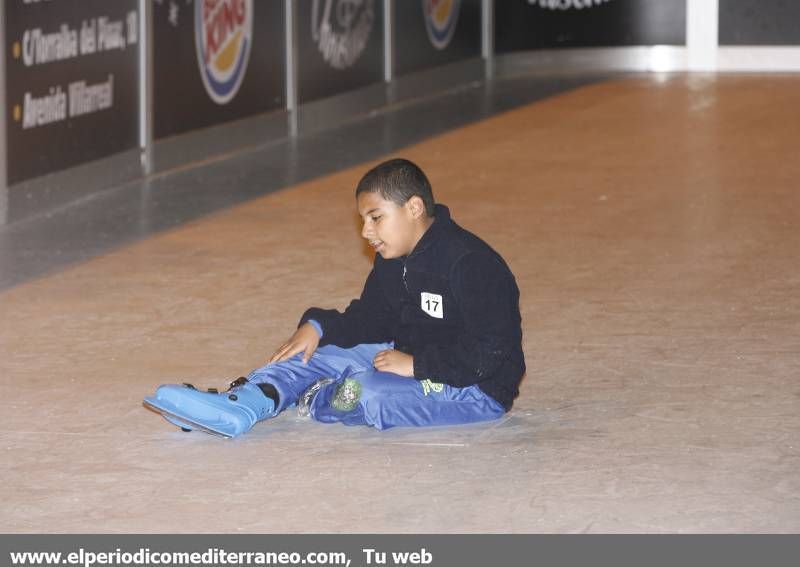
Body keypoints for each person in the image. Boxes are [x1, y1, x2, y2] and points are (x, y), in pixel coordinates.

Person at [144, 158, 525, 438]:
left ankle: (317, 399)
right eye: (363, 220)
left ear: (414, 208)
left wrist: (418, 365)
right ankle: (247, 402)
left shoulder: (471, 264)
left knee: (371, 391)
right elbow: (372, 318)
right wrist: (319, 325)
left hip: (474, 389)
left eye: (376, 218)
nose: (366, 231)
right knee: (313, 352)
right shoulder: (394, 260)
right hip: (407, 354)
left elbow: (490, 352)